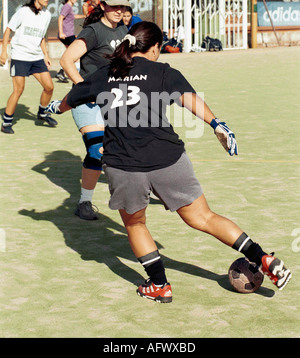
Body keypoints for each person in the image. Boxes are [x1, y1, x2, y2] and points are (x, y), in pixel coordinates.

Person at [47, 21, 292, 302]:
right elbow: (188, 99)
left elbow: (73, 97)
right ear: (153, 49)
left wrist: (58, 107)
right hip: (168, 158)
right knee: (204, 217)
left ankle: (159, 285)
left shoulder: (105, 73)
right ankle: (262, 258)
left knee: (136, 224)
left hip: (123, 165)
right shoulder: (162, 71)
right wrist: (216, 123)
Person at [58, 0, 130, 220]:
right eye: (114, 5)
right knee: (96, 150)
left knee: (126, 148)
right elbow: (67, 60)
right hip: (88, 103)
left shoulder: (123, 31)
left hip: (115, 101)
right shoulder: (94, 31)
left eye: (122, 6)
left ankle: (138, 189)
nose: (119, 10)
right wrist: (83, 89)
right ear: (102, 5)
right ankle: (84, 203)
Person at [0, 0, 57, 134]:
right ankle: (6, 123)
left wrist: (46, 55)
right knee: (19, 90)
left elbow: (42, 37)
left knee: (49, 87)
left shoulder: (47, 14)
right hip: (20, 56)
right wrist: (3, 52)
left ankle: (42, 113)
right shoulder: (23, 11)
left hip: (36, 57)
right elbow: (8, 30)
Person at [56, 0, 85, 83]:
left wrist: (84, 16)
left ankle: (61, 72)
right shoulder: (67, 6)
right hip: (66, 35)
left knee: (70, 55)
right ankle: (76, 74)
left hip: (69, 34)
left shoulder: (69, 7)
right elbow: (60, 18)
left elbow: (72, 16)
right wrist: (61, 32)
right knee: (76, 55)